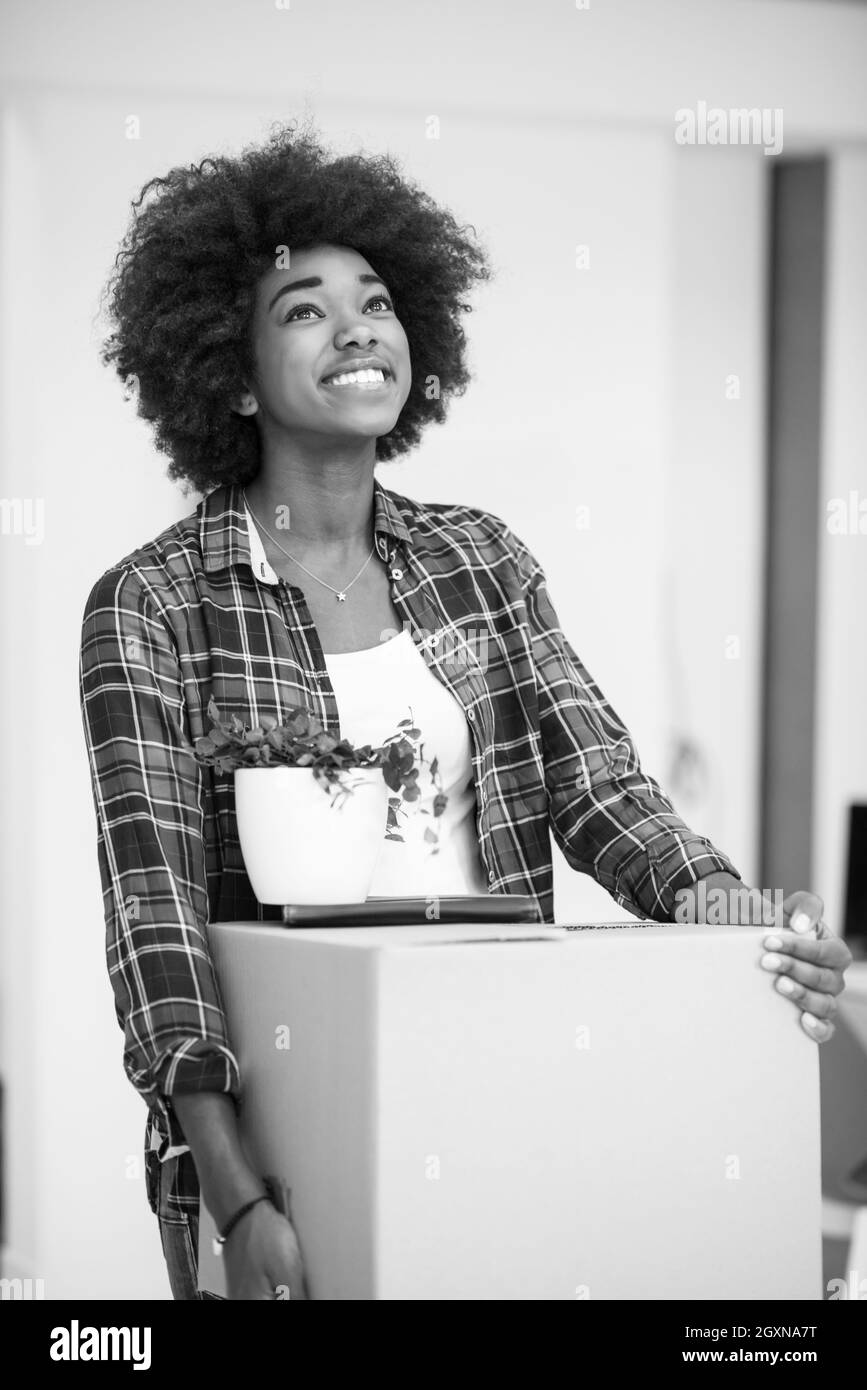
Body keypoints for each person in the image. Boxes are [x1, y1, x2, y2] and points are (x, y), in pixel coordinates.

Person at [78, 119, 851, 1301]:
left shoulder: (480, 559)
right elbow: (158, 922)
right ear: (227, 374)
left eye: (377, 300)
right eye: (303, 309)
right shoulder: (151, 603)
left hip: (497, 1095)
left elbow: (601, 788)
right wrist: (239, 1197)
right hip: (280, 1131)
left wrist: (728, 907)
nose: (356, 328)